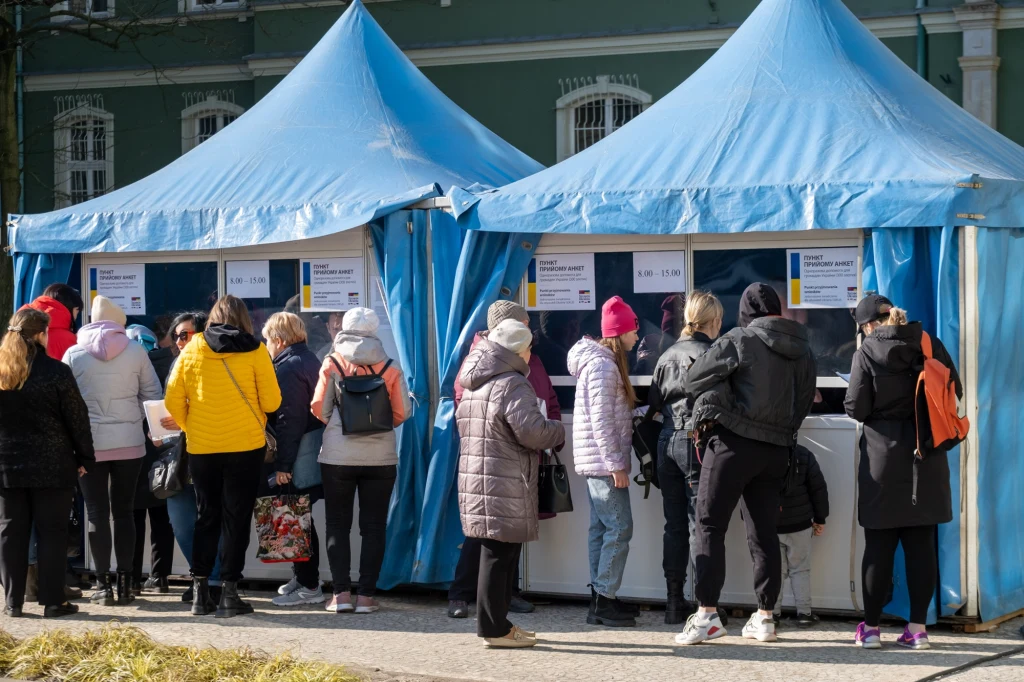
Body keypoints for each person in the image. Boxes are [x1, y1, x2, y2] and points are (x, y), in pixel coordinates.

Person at [677, 282, 816, 646]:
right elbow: (802, 404)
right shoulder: (802, 349)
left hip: (733, 445)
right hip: (776, 451)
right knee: (764, 532)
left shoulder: (739, 339)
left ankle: (707, 615)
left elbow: (692, 380)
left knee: (708, 524)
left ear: (745, 312)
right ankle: (765, 617)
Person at [844, 295, 961, 651]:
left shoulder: (865, 352)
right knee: (920, 545)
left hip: (882, 458)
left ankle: (873, 629)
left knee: (879, 545)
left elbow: (856, 407)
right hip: (926, 455)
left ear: (867, 326)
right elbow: (954, 393)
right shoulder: (928, 343)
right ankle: (918, 629)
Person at [165, 295, 281, 618]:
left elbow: (172, 401)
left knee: (206, 516)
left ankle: (201, 594)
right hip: (245, 447)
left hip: (203, 448)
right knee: (236, 519)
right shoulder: (257, 351)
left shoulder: (193, 348)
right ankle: (230, 593)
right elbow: (272, 402)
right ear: (245, 319)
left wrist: (194, 426)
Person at [448, 300, 561, 619]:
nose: (532, 331)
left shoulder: (527, 359)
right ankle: (465, 598)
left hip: (519, 458)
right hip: (498, 459)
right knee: (485, 537)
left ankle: (505, 600)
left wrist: (548, 422)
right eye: (525, 324)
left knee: (511, 533)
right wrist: (553, 430)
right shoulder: (482, 362)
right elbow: (467, 409)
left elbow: (548, 398)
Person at [63, 296, 162, 606]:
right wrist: (152, 429)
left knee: (96, 513)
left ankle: (102, 585)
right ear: (119, 322)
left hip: (89, 447)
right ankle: (127, 583)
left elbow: (64, 403)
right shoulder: (135, 351)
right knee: (124, 512)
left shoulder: (74, 354)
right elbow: (153, 395)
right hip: (130, 443)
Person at [312, 307, 410, 614]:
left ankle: (340, 596)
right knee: (374, 527)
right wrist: (377, 426)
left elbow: (318, 407)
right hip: (381, 458)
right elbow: (402, 413)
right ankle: (366, 597)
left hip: (338, 457)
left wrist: (340, 426)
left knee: (337, 525)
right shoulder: (391, 366)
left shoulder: (332, 362)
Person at [0, 308, 94, 618]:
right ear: (42, 335)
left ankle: (13, 602)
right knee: (51, 533)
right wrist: (84, 457)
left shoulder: (2, 373)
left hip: (7, 467)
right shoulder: (56, 372)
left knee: (11, 533)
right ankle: (55, 602)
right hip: (53, 465)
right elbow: (77, 419)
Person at [647, 291, 723, 625]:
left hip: (667, 440)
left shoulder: (666, 355)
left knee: (674, 525)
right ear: (714, 321)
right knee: (699, 526)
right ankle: (705, 606)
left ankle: (673, 601)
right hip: (696, 441)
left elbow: (653, 402)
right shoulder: (713, 353)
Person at [568, 296, 640, 628]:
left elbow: (612, 412)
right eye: (633, 329)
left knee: (601, 529)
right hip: (602, 464)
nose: (637, 336)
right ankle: (605, 599)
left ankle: (601, 599)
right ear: (619, 332)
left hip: (597, 462)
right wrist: (616, 464)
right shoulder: (602, 365)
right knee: (620, 527)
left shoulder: (601, 363)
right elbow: (601, 420)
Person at [261, 312, 326, 607]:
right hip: (310, 450)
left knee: (294, 517)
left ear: (278, 340)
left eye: (267, 340)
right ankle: (302, 577)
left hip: (297, 454)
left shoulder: (288, 368)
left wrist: (283, 466)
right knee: (297, 516)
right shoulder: (308, 359)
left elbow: (289, 420)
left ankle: (310, 586)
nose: (266, 346)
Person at [157, 312, 222, 604]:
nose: (180, 341)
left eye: (186, 334)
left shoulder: (215, 363)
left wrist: (181, 420)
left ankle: (215, 581)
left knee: (211, 521)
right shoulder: (176, 364)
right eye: (177, 336)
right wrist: (161, 429)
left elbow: (214, 409)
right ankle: (201, 578)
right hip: (179, 457)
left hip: (209, 452)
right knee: (180, 521)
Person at [126, 325, 177, 595]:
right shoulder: (169, 364)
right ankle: (160, 577)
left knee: (133, 516)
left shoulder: (126, 367)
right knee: (161, 518)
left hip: (132, 449)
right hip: (162, 451)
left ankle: (132, 578)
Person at [773, 443, 829, 627]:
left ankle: (771, 614)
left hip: (771, 524)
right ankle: (804, 613)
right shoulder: (804, 454)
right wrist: (820, 518)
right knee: (800, 569)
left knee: (774, 571)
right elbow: (818, 488)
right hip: (800, 525)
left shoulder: (763, 453)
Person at [25, 283, 83, 361]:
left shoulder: (20, 330)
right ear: (70, 308)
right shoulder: (68, 340)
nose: (76, 316)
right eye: (77, 310)